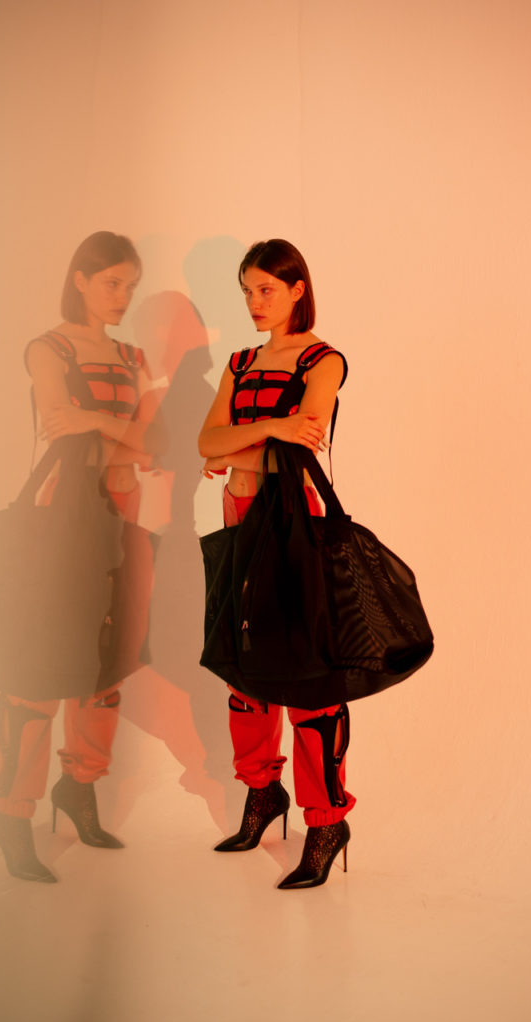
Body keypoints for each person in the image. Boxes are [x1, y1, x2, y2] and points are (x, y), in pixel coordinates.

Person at [0, 231, 152, 883]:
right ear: (79, 279)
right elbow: (59, 419)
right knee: (41, 664)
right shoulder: (47, 348)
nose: (121, 296)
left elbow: (157, 444)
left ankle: (78, 787)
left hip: (123, 512)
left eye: (130, 286)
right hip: (63, 512)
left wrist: (99, 422)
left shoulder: (133, 356)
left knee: (106, 661)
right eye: (111, 282)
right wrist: (119, 431)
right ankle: (10, 811)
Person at [198, 238, 355, 889]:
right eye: (246, 290)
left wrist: (232, 449)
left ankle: (326, 821)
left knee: (307, 676)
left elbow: (301, 445)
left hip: (294, 523)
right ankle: (262, 792)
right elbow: (205, 440)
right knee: (245, 670)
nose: (254, 302)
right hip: (238, 522)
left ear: (297, 289)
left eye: (266, 289)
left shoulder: (324, 360)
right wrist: (268, 431)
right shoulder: (240, 363)